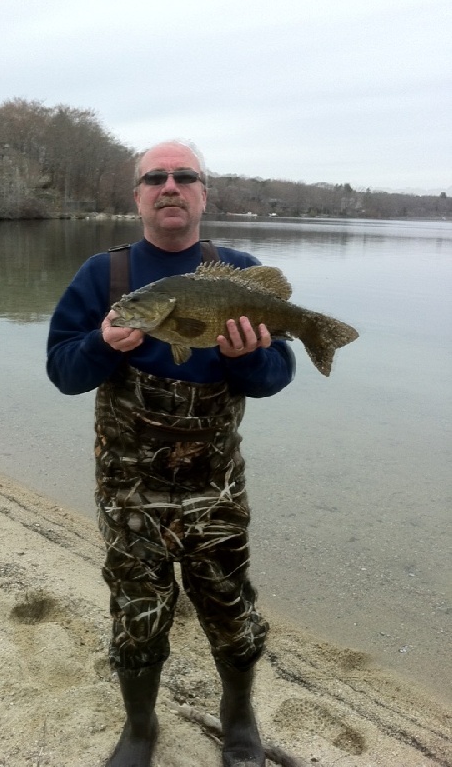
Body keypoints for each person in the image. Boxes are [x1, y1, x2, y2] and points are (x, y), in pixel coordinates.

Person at [46, 141, 295, 767]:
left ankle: (239, 721)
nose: (170, 186)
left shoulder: (236, 271)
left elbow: (275, 376)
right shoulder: (103, 278)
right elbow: (62, 372)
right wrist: (104, 344)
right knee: (137, 609)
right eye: (155, 177)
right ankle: (139, 728)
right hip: (129, 490)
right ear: (138, 197)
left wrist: (250, 357)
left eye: (185, 176)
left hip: (215, 488)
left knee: (230, 604)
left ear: (204, 194)